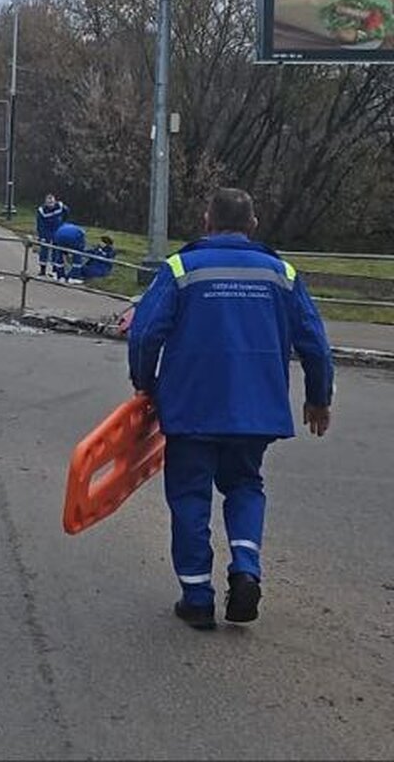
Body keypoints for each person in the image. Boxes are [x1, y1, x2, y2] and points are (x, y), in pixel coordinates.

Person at [128, 187, 334, 631]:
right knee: (244, 485)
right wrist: (319, 397)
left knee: (189, 497)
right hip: (256, 410)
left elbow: (146, 334)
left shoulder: (181, 268)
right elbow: (315, 343)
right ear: (253, 225)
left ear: (206, 221)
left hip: (191, 409)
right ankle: (245, 568)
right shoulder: (283, 274)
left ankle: (197, 597)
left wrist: (145, 384)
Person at [35, 192, 69, 278]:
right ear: (45, 203)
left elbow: (67, 213)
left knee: (56, 251)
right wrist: (41, 236)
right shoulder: (41, 211)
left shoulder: (60, 206)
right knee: (44, 250)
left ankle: (54, 270)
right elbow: (40, 224)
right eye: (49, 203)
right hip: (46, 231)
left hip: (57, 230)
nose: (51, 205)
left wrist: (63, 224)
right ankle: (43, 270)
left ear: (55, 201)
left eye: (52, 202)